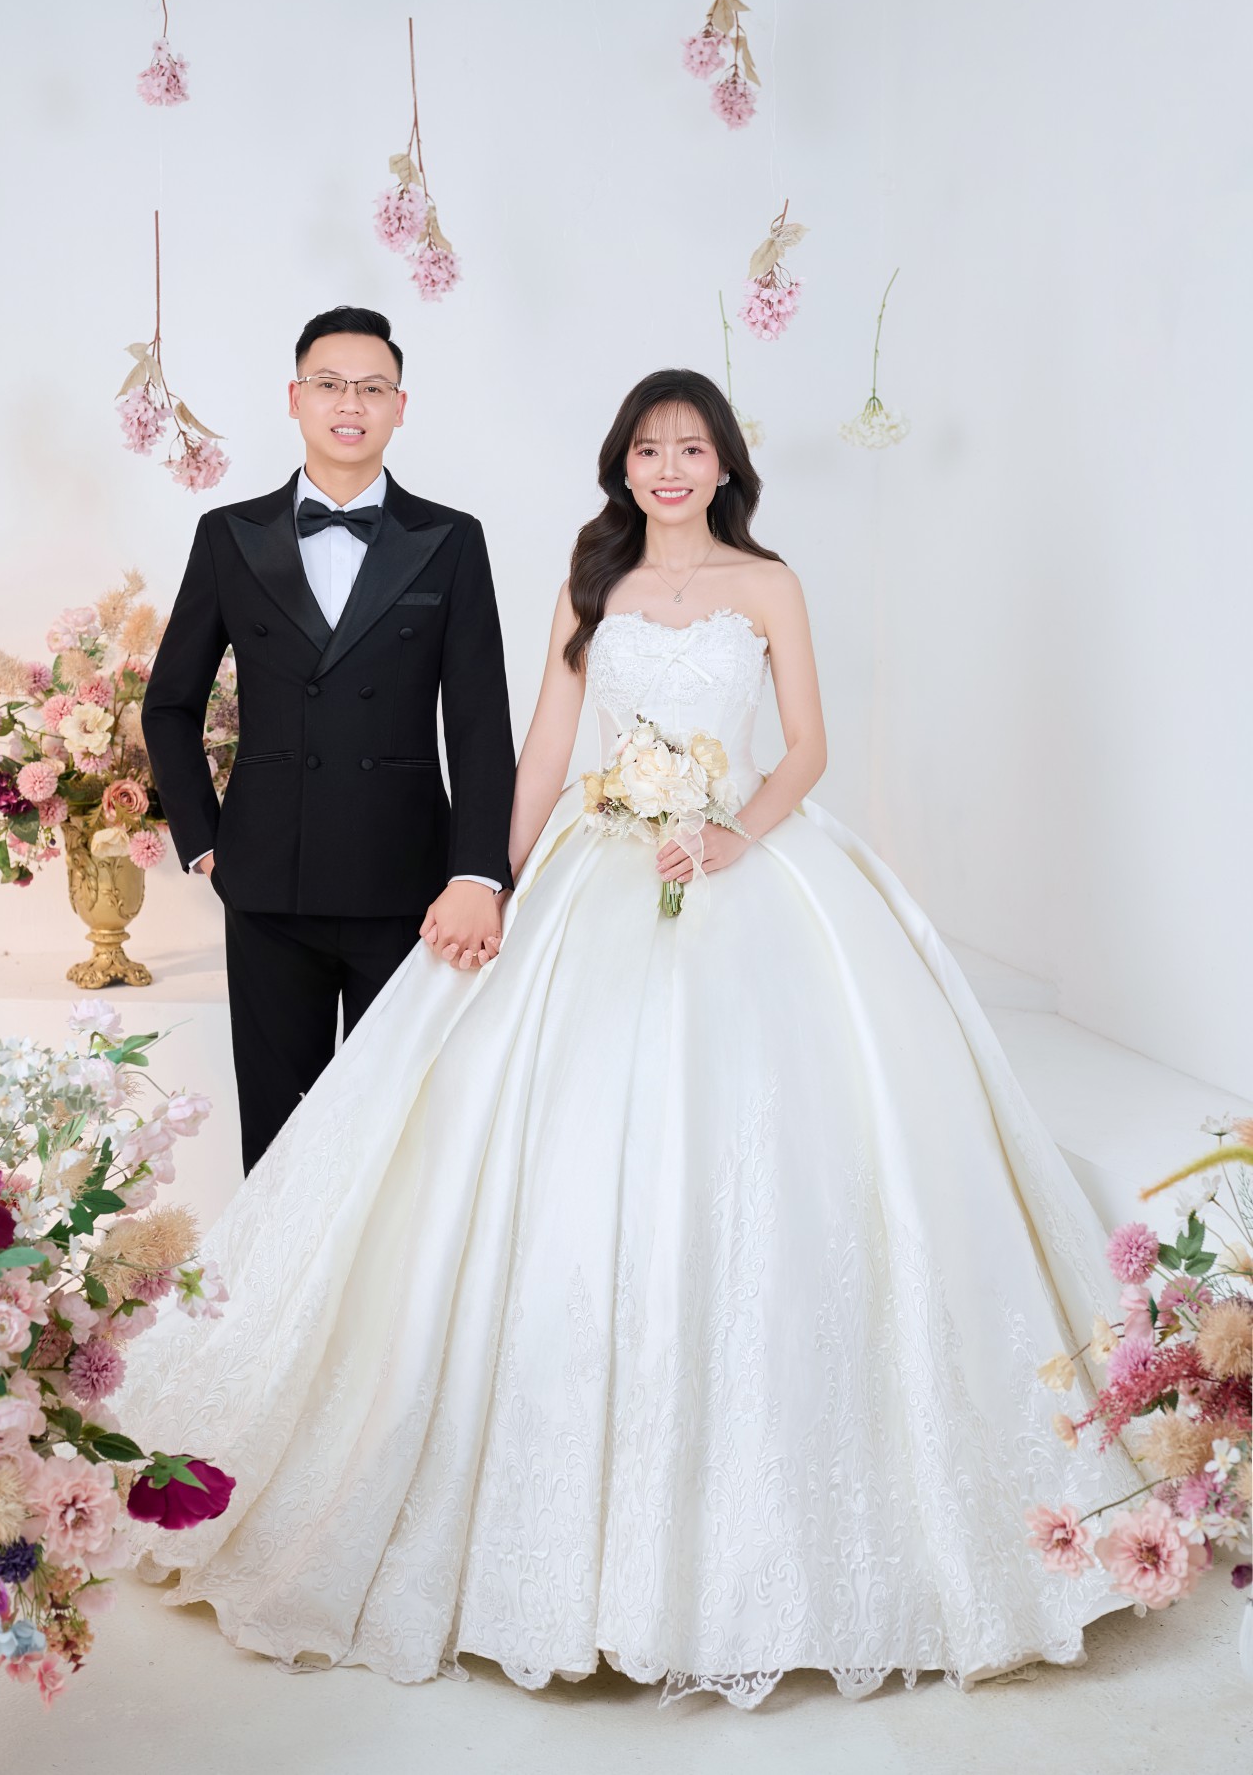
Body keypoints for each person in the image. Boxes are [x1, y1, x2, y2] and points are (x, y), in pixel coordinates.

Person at [119, 369, 1139, 1706]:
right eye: (649, 449)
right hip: (598, 871)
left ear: (723, 468)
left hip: (745, 871)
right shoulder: (587, 582)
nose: (668, 468)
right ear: (623, 466)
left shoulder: (769, 584)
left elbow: (808, 748)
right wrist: (486, 880)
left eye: (691, 449)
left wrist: (731, 835)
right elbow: (542, 754)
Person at [142, 306, 515, 1174]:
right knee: (278, 1142)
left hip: (410, 887)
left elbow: (479, 722)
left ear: (400, 407)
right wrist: (204, 845)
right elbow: (169, 706)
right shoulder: (229, 535)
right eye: (330, 384)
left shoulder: (451, 539)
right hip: (268, 882)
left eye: (373, 388)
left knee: (399, 1144)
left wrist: (476, 874)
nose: (351, 403)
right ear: (295, 397)